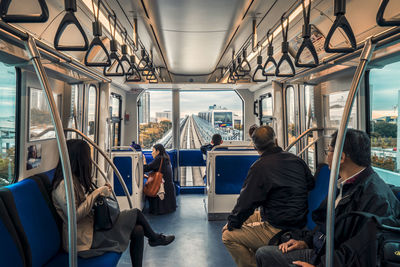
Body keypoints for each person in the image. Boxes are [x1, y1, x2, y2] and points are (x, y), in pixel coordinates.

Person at [255, 129, 400, 267]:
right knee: (265, 254)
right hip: (323, 249)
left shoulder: (374, 198)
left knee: (265, 254)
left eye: (329, 151)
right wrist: (306, 241)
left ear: (341, 157)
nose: (327, 156)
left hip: (331, 259)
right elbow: (326, 224)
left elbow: (358, 252)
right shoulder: (344, 184)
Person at [52, 139, 174, 267]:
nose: (89, 161)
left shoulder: (75, 179)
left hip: (92, 229)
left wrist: (99, 191)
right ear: (78, 159)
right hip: (82, 241)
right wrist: (97, 192)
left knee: (138, 230)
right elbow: (74, 216)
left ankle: (153, 240)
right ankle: (155, 238)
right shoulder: (63, 185)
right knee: (136, 213)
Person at [222, 126, 315, 267]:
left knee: (228, 236)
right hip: (296, 218)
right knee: (235, 223)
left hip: (279, 226)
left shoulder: (259, 167)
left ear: (254, 147)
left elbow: (246, 203)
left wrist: (232, 223)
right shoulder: (296, 160)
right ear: (276, 141)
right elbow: (310, 184)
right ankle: (262, 257)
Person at [143, 143, 176, 215]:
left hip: (161, 184)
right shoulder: (165, 158)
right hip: (167, 184)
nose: (152, 153)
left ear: (158, 151)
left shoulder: (159, 159)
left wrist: (144, 161)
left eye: (153, 151)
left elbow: (146, 168)